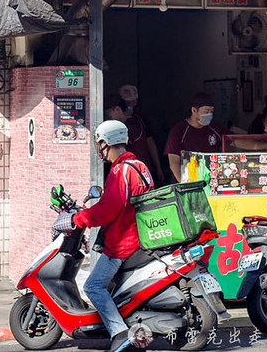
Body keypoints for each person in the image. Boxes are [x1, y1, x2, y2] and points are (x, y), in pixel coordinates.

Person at [72, 120, 154, 352]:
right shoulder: (140, 166)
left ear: (105, 143)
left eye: (100, 143)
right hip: (140, 237)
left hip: (123, 243)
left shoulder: (121, 171)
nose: (100, 149)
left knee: (94, 286)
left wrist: (81, 218)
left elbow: (109, 210)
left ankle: (119, 332)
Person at [164, 92, 226, 182]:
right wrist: (184, 184)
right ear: (194, 110)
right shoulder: (179, 130)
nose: (210, 114)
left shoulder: (215, 128)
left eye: (211, 111)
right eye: (206, 111)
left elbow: (234, 141)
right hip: (187, 182)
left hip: (211, 182)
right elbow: (173, 162)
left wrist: (254, 145)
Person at [105, 97, 163, 184]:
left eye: (109, 114)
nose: (109, 118)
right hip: (139, 170)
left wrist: (158, 168)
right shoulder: (137, 121)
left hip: (136, 173)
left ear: (117, 109)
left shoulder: (131, 125)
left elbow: (150, 143)